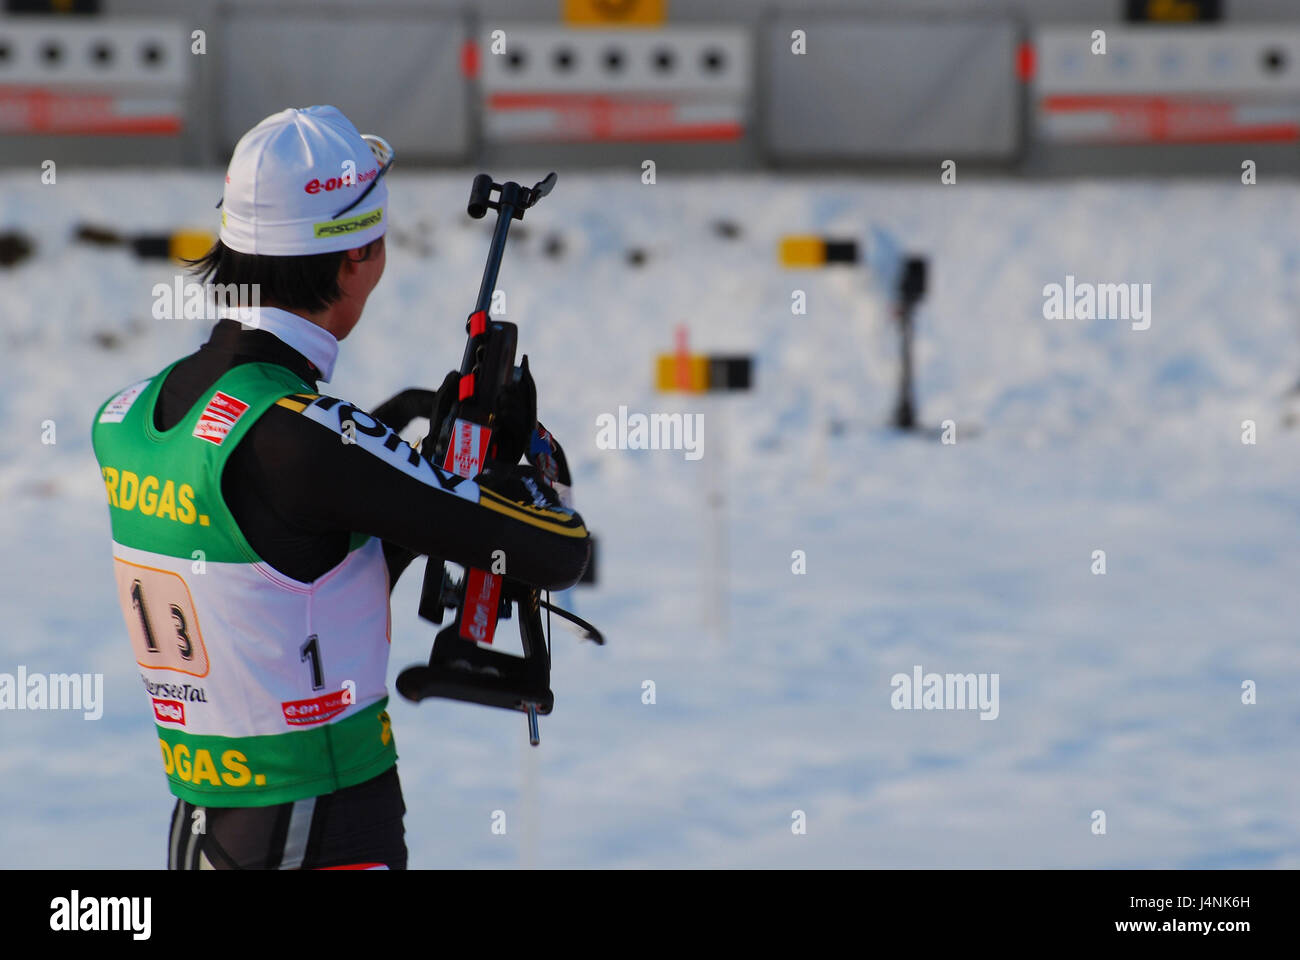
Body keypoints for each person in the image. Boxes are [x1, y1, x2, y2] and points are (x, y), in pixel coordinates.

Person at [89, 105, 590, 870]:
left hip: (205, 822)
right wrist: (518, 475)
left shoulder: (125, 417)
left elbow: (294, 578)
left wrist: (412, 460)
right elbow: (555, 553)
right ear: (359, 256)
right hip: (319, 822)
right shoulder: (301, 439)